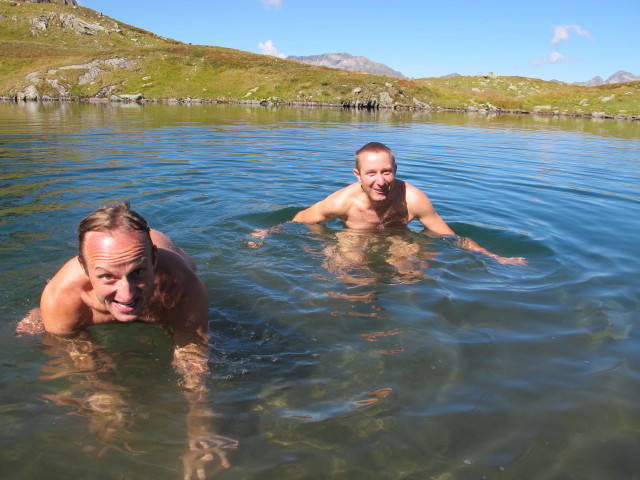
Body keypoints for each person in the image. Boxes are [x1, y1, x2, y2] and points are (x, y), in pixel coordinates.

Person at [16, 202, 236, 479]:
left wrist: (201, 426)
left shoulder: (181, 285)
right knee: (33, 332)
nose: (127, 294)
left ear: (153, 260)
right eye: (107, 276)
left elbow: (193, 351)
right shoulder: (63, 296)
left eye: (138, 273)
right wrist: (105, 396)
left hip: (168, 281)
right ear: (84, 267)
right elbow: (71, 354)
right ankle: (47, 311)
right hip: (77, 299)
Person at [292, 142, 526, 265]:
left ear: (395, 171)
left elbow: (450, 236)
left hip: (399, 241)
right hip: (353, 240)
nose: (380, 181)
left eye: (386, 172)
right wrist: (267, 233)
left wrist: (494, 257)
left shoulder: (413, 199)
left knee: (410, 276)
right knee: (350, 274)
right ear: (358, 175)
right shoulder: (342, 202)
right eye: (371, 173)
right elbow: (300, 219)